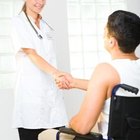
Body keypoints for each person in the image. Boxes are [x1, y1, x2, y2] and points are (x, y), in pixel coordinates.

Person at [38, 10, 140, 140]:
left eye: (105, 32)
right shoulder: (124, 71)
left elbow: (83, 126)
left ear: (112, 42)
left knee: (47, 135)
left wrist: (71, 122)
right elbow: (114, 87)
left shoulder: (105, 70)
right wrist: (74, 82)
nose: (103, 35)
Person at [11, 0, 70, 140]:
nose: (40, 2)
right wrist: (56, 73)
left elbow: (49, 57)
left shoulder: (44, 25)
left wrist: (57, 76)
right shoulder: (18, 22)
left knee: (58, 134)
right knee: (30, 131)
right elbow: (31, 54)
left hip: (51, 92)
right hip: (30, 93)